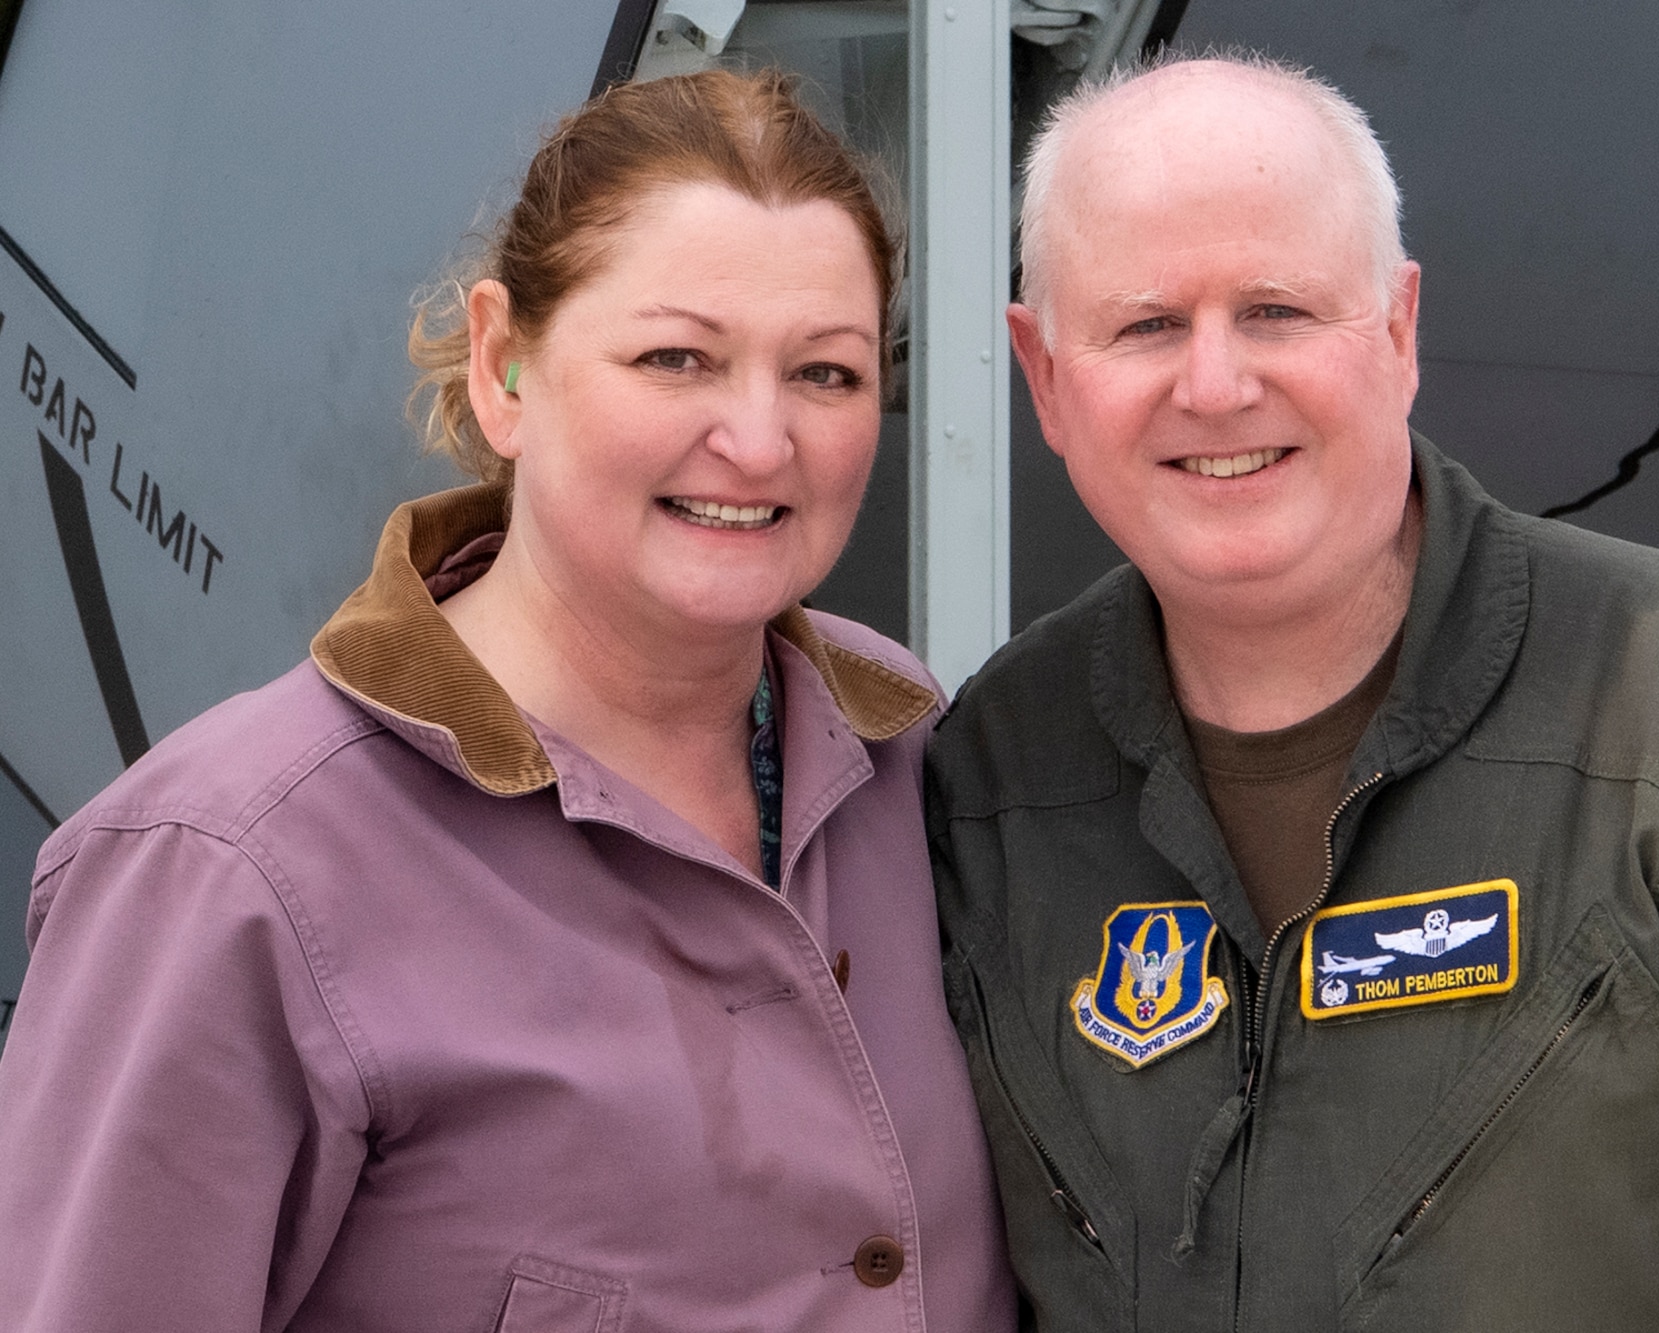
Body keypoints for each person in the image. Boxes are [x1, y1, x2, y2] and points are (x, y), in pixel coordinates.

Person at [926, 53, 1659, 1330]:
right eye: (1146, 324)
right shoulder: (993, 772)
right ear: (1044, 375)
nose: (1213, 385)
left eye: (1275, 310)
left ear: (1395, 329)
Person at [0, 69, 1013, 1331]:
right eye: (675, 357)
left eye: (825, 374)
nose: (760, 441)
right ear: (502, 366)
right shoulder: (227, 874)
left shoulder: (920, 751)